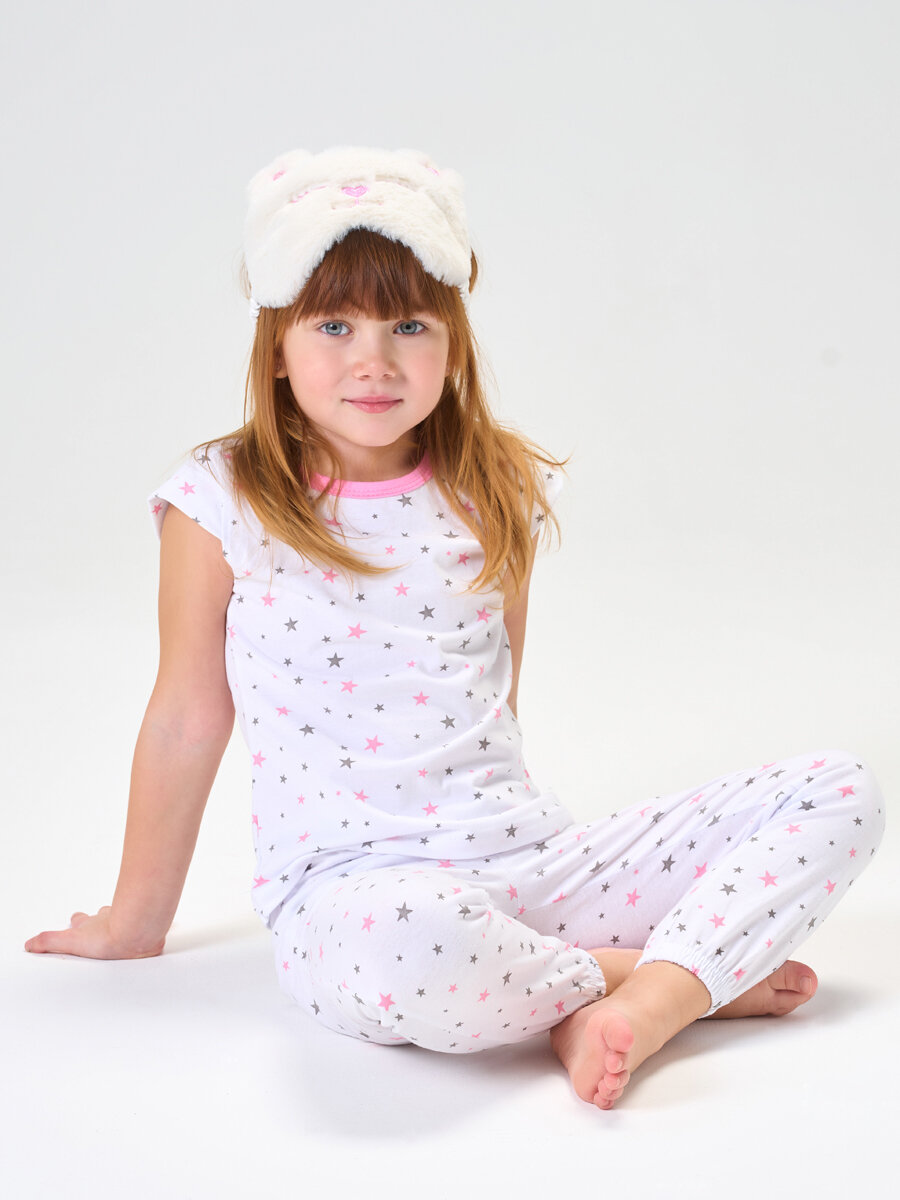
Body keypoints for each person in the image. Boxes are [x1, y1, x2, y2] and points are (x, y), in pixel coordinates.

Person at [25, 146, 885, 1110]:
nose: (374, 360)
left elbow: (495, 699)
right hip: (356, 897)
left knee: (840, 791)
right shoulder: (220, 499)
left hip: (530, 865)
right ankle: (661, 977)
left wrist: (525, 878)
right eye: (334, 325)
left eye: (409, 325)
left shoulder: (493, 486)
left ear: (454, 342)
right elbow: (188, 717)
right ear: (276, 346)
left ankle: (651, 998)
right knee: (412, 949)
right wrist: (135, 921)